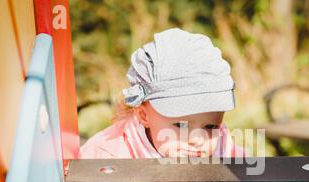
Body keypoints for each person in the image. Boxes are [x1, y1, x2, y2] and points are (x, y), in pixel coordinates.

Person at [80, 28, 243, 159]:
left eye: (211, 126)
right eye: (181, 125)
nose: (198, 139)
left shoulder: (224, 149)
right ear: (144, 116)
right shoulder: (107, 157)